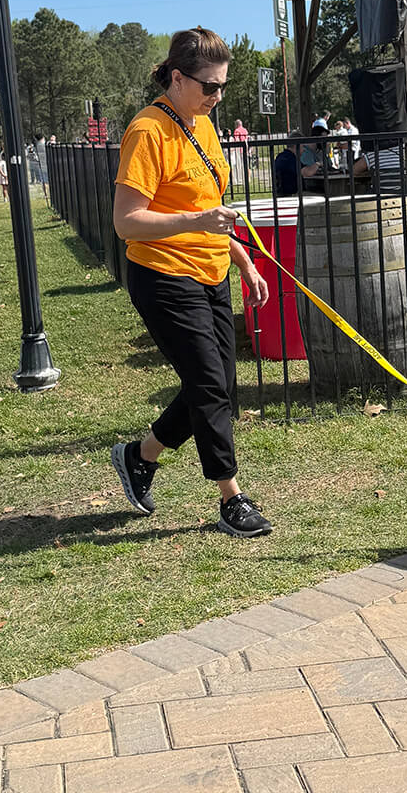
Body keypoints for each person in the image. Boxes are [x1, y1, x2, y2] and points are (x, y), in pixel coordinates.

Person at [111, 27, 272, 539]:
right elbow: (127, 222)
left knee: (219, 384)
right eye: (209, 86)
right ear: (177, 78)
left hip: (210, 271)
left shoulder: (201, 125)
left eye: (222, 87)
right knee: (208, 383)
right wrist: (197, 224)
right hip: (162, 274)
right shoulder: (147, 131)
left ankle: (139, 457)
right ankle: (231, 497)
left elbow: (206, 210)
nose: (217, 97)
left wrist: (242, 261)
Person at [273, 132, 303, 196]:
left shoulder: (281, 156)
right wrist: (318, 164)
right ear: (296, 145)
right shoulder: (291, 159)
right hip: (291, 195)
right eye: (303, 146)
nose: (304, 150)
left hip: (279, 194)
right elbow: (306, 172)